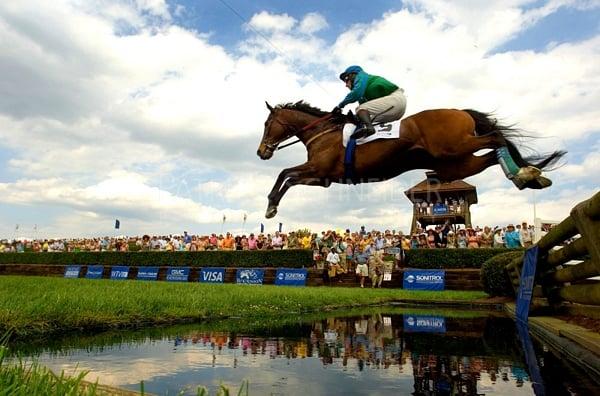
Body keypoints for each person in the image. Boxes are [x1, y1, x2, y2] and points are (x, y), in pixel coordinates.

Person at [332, 65, 407, 139]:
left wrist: (340, 106)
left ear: (353, 75)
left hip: (395, 99)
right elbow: (363, 112)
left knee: (360, 108)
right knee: (362, 117)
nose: (346, 84)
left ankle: (369, 129)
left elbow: (356, 94)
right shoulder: (363, 93)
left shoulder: (361, 77)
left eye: (346, 79)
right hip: (395, 112)